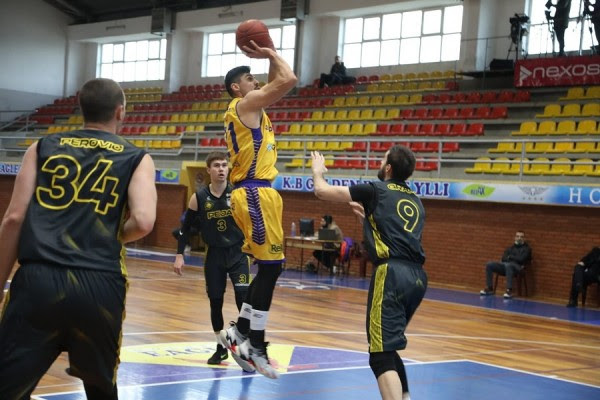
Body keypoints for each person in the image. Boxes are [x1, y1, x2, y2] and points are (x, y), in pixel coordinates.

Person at [0, 78, 157, 399]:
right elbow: (144, 221)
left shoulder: (41, 147)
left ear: (81, 109)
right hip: (100, 286)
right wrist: (114, 236)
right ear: (120, 112)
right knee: (100, 390)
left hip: (38, 282)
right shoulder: (137, 157)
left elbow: (14, 218)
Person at [311, 146, 427, 400]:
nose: (380, 162)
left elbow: (322, 191)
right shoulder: (415, 201)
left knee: (380, 355)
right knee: (388, 345)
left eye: (383, 159)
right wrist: (369, 219)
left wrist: (318, 172)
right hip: (417, 278)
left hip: (392, 274)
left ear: (388, 168)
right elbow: (398, 236)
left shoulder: (375, 189)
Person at [219, 38, 297, 379]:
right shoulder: (245, 104)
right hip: (253, 192)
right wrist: (270, 53)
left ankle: (240, 332)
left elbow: (279, 79)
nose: (257, 81)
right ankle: (256, 344)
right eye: (250, 79)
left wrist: (269, 58)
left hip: (260, 192)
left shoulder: (254, 109)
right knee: (271, 268)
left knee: (270, 268)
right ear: (237, 88)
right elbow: (288, 79)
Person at [172, 151, 250, 365]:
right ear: (208, 170)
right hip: (214, 255)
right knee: (216, 302)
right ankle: (220, 348)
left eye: (224, 165)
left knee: (243, 298)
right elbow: (184, 229)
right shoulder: (198, 197)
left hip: (238, 253)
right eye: (216, 165)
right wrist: (179, 254)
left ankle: (244, 344)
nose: (221, 169)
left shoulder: (237, 194)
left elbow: (251, 221)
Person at [479, 231, 532, 299]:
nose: (519, 238)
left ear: (524, 238)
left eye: (521, 237)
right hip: (505, 266)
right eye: (517, 236)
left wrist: (510, 257)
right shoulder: (510, 248)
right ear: (515, 238)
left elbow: (521, 259)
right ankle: (489, 288)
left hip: (518, 268)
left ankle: (509, 290)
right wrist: (514, 258)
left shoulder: (527, 249)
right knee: (490, 264)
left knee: (508, 265)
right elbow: (503, 258)